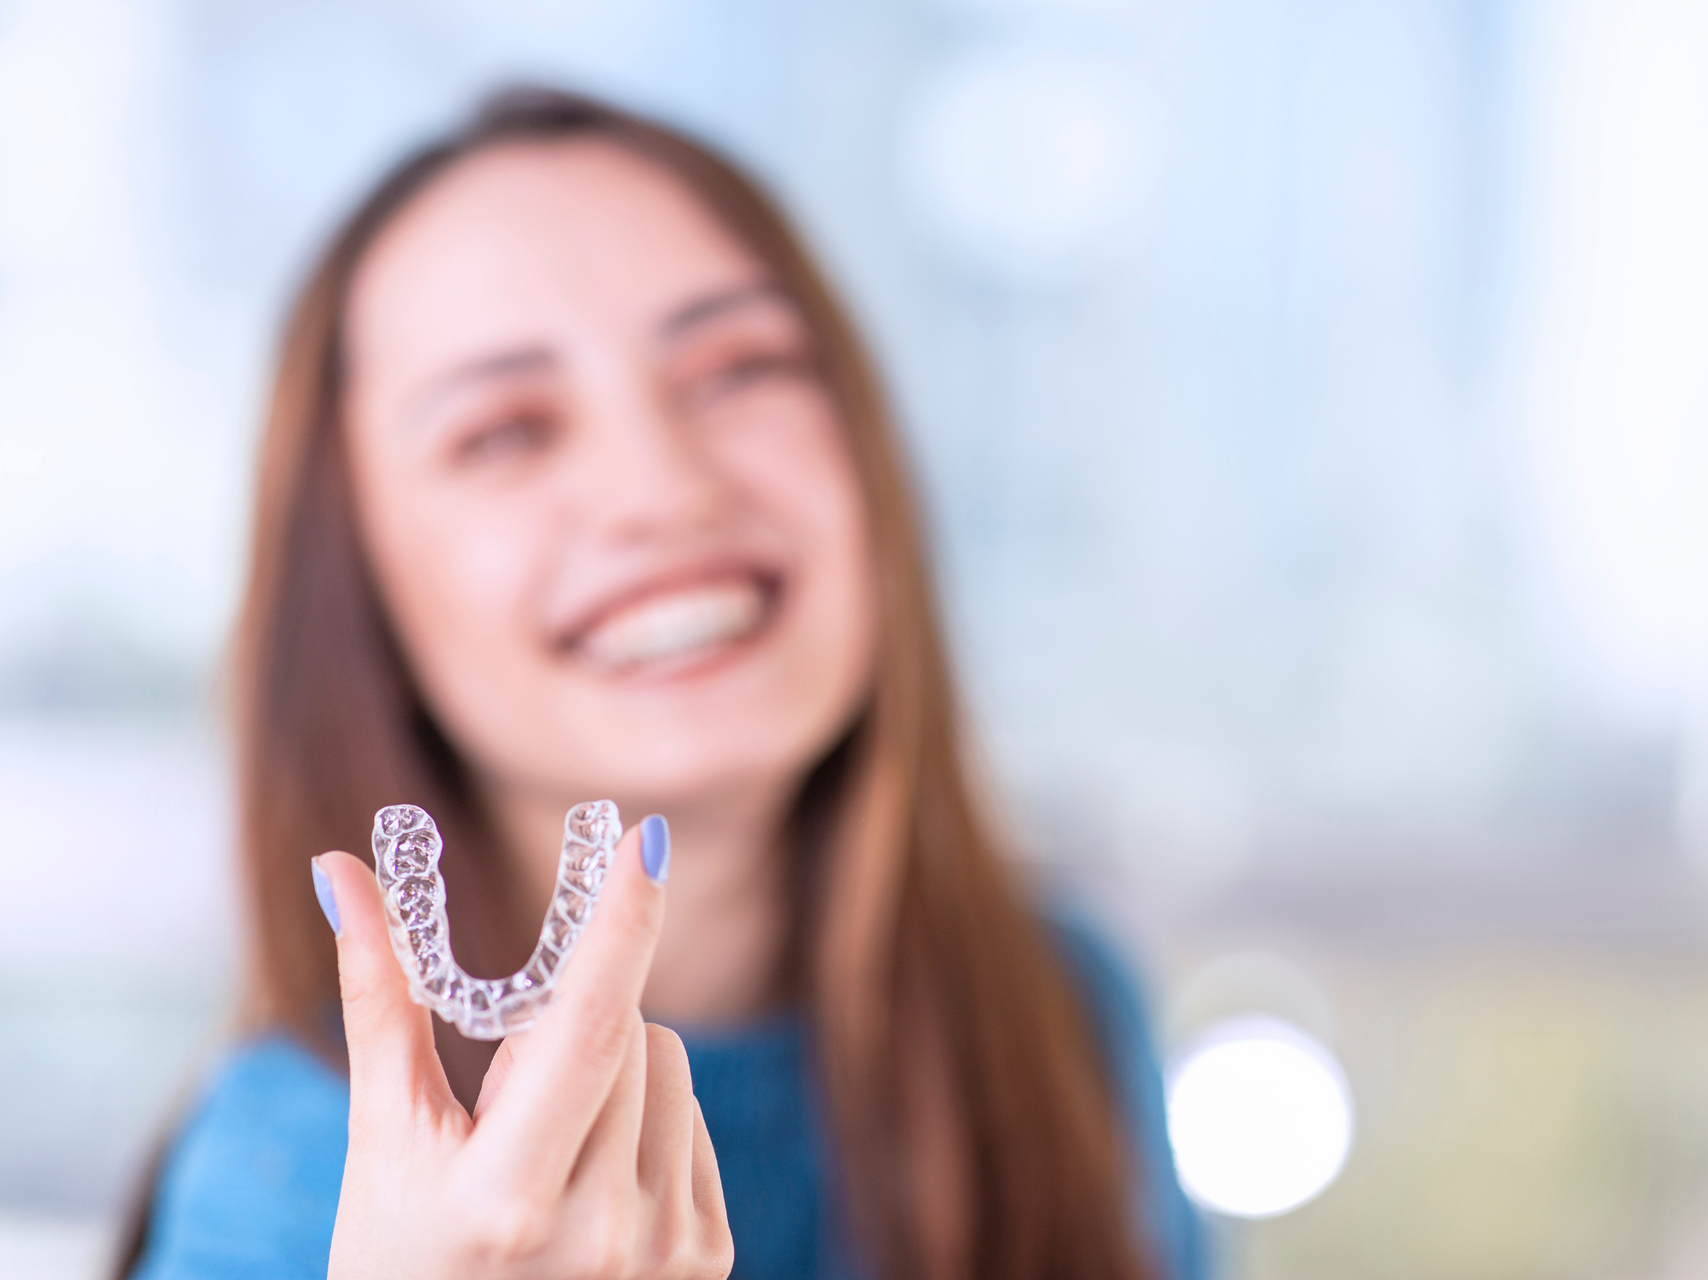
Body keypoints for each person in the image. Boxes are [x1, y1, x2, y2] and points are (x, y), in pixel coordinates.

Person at [120, 86, 1205, 1280]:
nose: (662, 485)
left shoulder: (1060, 1011)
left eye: (740, 368)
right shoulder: (279, 1177)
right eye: (505, 430)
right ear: (359, 589)